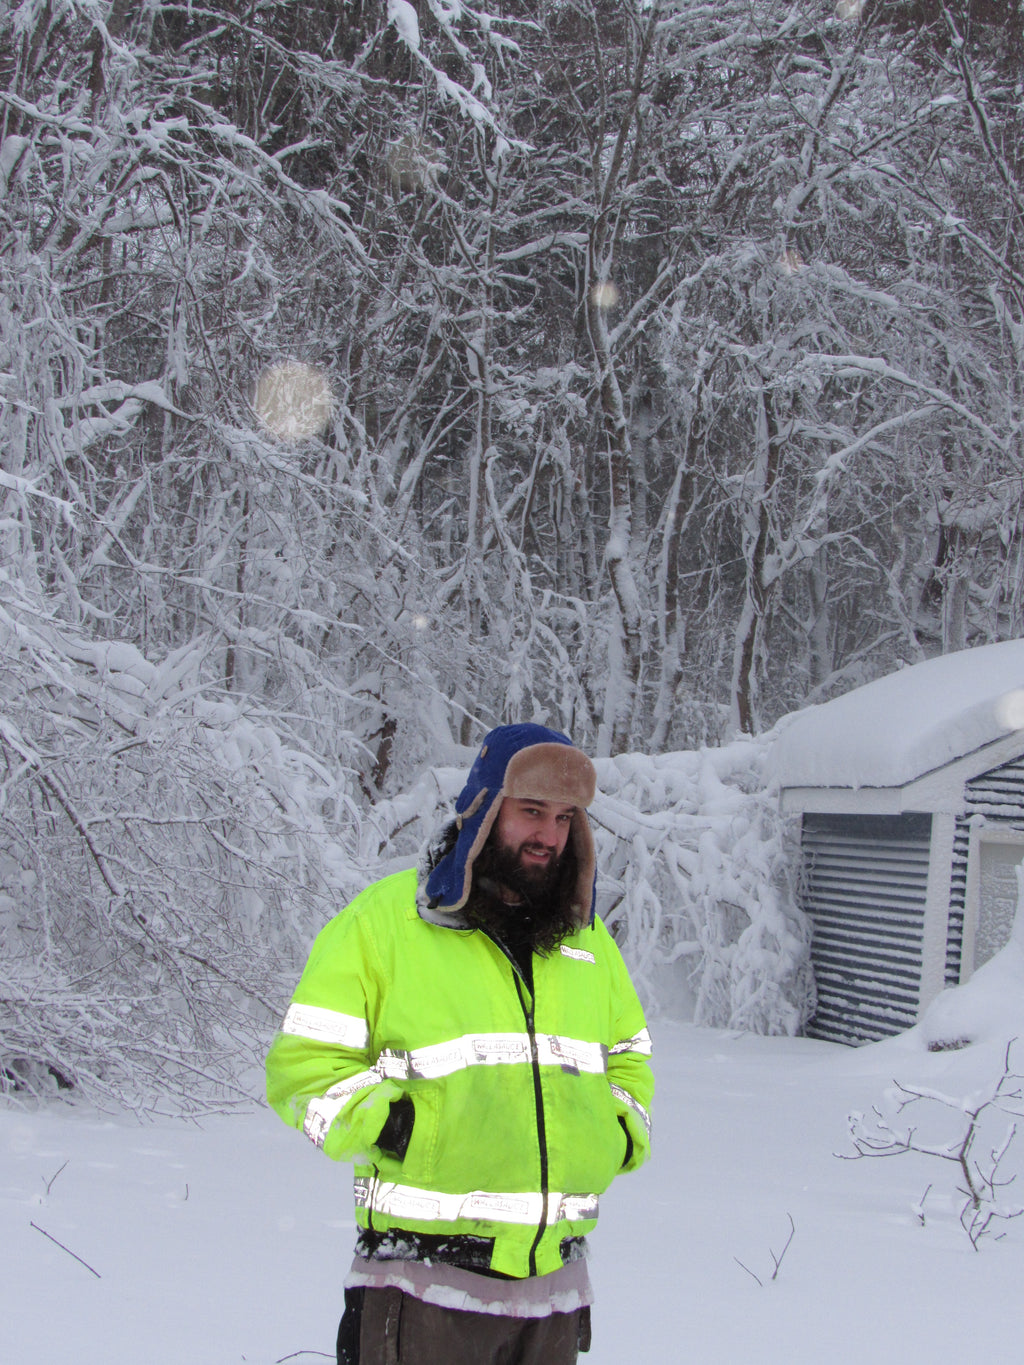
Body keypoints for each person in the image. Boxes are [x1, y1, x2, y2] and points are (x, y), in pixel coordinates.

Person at [266, 723, 653, 1365]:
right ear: (483, 810)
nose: (548, 836)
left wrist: (615, 1134)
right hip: (422, 1287)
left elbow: (630, 1059)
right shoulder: (385, 924)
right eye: (530, 811)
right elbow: (303, 1069)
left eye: (564, 818)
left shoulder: (587, 945)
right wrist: (402, 1132)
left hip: (553, 1294)